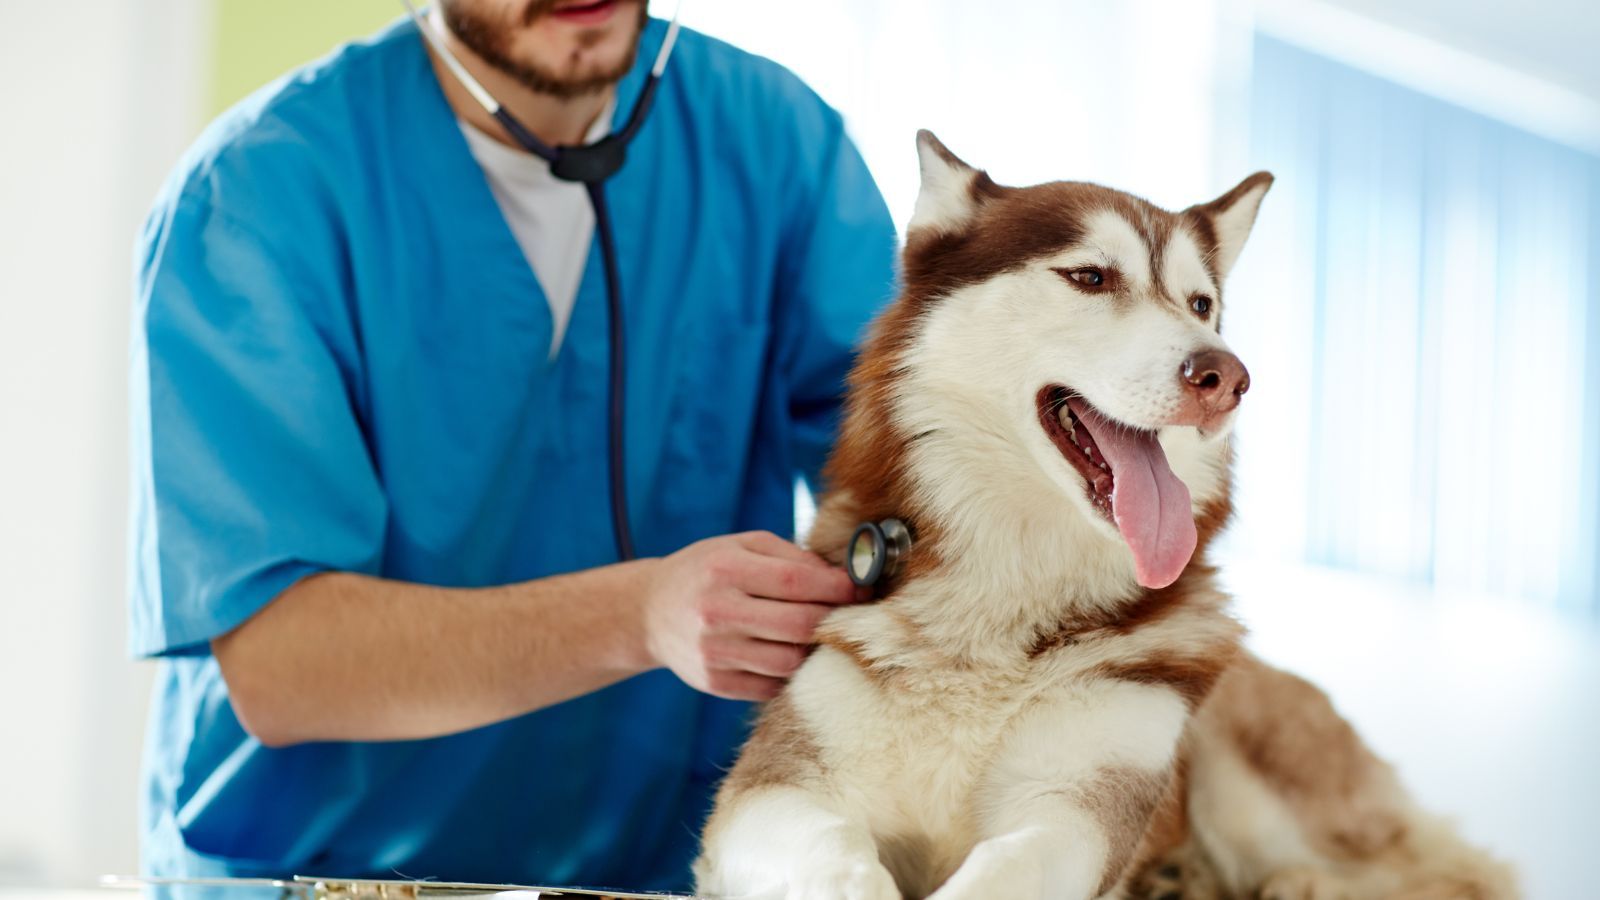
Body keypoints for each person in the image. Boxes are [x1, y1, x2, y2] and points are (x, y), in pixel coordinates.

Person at [127, 0, 897, 891]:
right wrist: (643, 612)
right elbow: (282, 663)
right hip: (323, 871)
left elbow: (900, 480)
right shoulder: (259, 193)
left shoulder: (775, 141)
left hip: (652, 869)